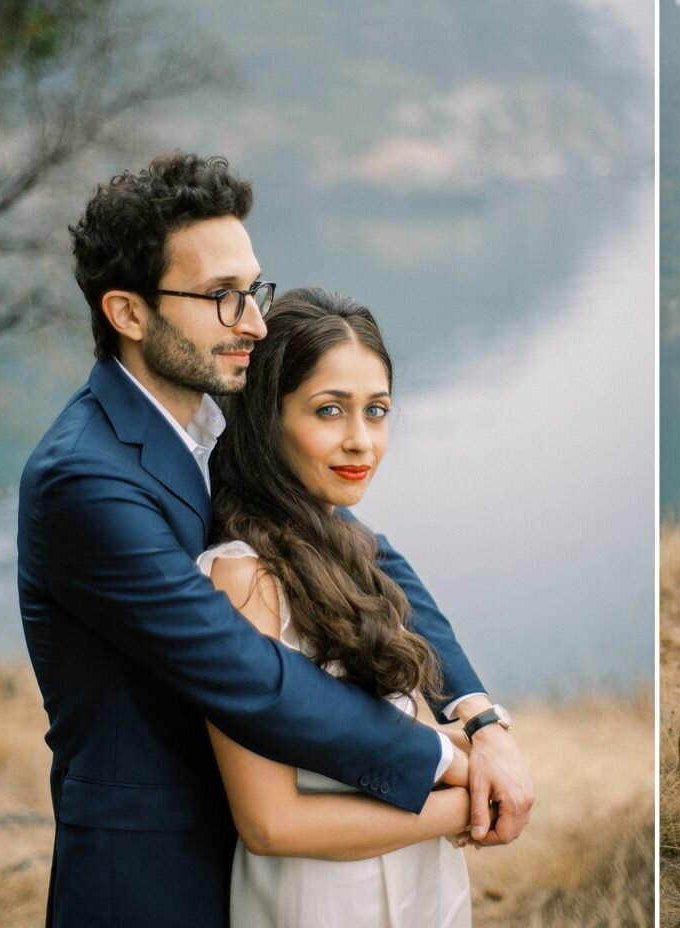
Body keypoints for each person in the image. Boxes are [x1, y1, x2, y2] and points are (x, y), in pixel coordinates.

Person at [17, 152, 533, 927]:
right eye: (223, 298)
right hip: (153, 872)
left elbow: (365, 549)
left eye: (252, 291)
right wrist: (440, 764)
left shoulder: (209, 426)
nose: (255, 321)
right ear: (127, 313)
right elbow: (248, 675)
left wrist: (477, 715)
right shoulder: (85, 481)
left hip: (262, 857)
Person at [200, 288, 477, 925]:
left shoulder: (352, 548)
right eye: (329, 411)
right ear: (267, 418)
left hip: (425, 887)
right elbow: (270, 822)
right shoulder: (245, 580)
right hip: (319, 905)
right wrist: (468, 804)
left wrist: (476, 734)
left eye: (376, 411)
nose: (361, 442)